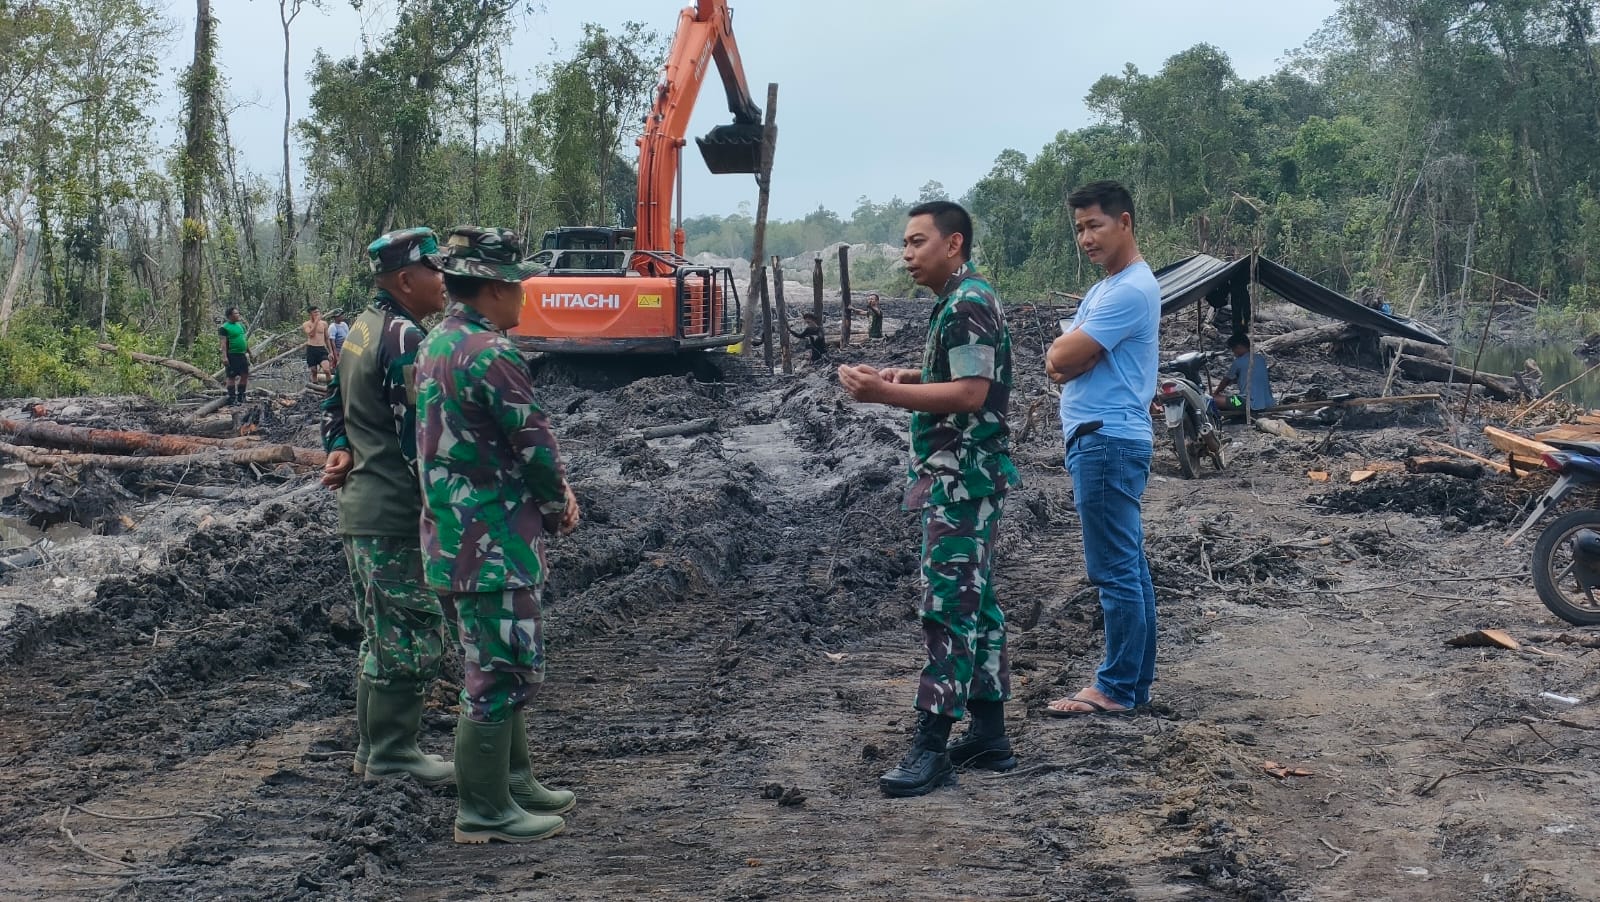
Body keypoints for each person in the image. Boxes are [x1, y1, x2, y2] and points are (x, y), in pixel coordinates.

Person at [838, 201, 1020, 797]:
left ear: (954, 243)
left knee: (947, 607)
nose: (907, 254)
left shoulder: (967, 303)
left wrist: (881, 399)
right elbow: (963, 378)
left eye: (917, 242)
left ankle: (932, 745)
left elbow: (971, 393)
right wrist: (906, 379)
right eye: (905, 243)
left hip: (962, 481)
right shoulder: (960, 299)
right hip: (969, 476)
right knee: (979, 606)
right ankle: (990, 735)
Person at [415, 226, 581, 844]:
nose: (524, 295)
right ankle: (483, 809)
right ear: (491, 287)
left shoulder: (438, 342)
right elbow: (533, 444)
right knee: (498, 669)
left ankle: (515, 780)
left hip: (454, 533)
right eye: (517, 283)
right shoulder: (490, 353)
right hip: (492, 538)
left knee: (494, 658)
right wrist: (557, 501)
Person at [320, 228, 455, 790]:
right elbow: (417, 436)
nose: (444, 281)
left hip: (363, 507)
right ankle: (395, 750)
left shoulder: (360, 329)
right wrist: (444, 510)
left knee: (380, 632)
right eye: (435, 270)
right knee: (410, 631)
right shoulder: (403, 337)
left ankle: (372, 748)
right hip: (393, 511)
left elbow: (336, 403)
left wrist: (338, 443)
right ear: (406, 279)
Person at [1044, 180, 1159, 718]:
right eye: (1079, 229)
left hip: (1105, 439)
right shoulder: (1107, 288)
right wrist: (1069, 356)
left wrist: (1071, 357)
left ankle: (1114, 687)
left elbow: (1063, 359)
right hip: (1107, 436)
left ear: (1125, 223)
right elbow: (1063, 357)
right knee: (1128, 566)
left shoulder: (1128, 290)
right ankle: (1130, 685)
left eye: (1095, 226)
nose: (1085, 238)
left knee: (1114, 568)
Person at [1212, 334, 1274, 413]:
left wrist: (1216, 393)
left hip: (1248, 403)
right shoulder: (1260, 358)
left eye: (1233, 349)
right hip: (1268, 402)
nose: (1233, 352)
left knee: (1213, 400)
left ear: (1239, 347)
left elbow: (1226, 381)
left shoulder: (1238, 362)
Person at [217, 306, 249, 405]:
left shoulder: (241, 326)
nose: (238, 315)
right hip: (231, 355)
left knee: (245, 375)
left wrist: (250, 352)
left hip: (242, 354)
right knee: (231, 376)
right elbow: (223, 343)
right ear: (230, 316)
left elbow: (244, 340)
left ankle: (241, 396)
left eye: (238, 313)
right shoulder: (224, 328)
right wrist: (224, 356)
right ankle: (232, 398)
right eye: (236, 313)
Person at [303, 306, 332, 382]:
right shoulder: (306, 324)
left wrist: (331, 352)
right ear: (310, 314)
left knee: (326, 370)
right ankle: (315, 388)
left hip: (321, 349)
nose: (317, 314)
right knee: (314, 371)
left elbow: (327, 338)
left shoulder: (324, 324)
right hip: (311, 349)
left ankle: (330, 388)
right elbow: (311, 334)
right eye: (315, 312)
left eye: (318, 312)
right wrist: (316, 322)